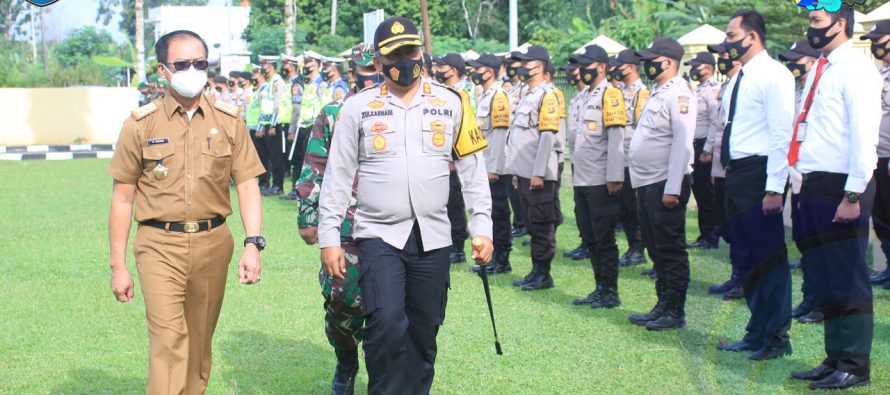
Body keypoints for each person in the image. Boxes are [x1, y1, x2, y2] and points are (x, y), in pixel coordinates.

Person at [318, 17, 493, 394]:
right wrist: (328, 236)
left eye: (410, 51)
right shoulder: (357, 108)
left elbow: (474, 173)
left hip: (433, 236)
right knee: (384, 324)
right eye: (394, 54)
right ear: (378, 62)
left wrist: (483, 229)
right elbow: (337, 175)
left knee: (424, 329)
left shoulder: (452, 102)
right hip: (379, 235)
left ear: (421, 53)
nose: (404, 59)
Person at [106, 30, 265, 394]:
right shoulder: (140, 124)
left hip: (214, 243)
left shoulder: (229, 119)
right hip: (159, 245)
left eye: (200, 63)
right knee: (168, 339)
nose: (192, 70)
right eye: (182, 64)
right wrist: (118, 266)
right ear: (163, 70)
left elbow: (246, 183)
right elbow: (123, 198)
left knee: (197, 344)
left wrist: (253, 243)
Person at [790, 7, 881, 390]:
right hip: (812, 183)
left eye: (815, 22)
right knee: (826, 279)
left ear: (839, 23)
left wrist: (853, 192)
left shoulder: (857, 69)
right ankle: (834, 357)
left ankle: (855, 364)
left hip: (842, 186)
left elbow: (865, 134)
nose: (810, 29)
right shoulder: (822, 66)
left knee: (848, 278)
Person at [296, 44, 383, 395]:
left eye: (380, 72)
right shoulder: (334, 112)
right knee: (342, 299)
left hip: (389, 225)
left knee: (387, 305)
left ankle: (382, 371)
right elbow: (313, 165)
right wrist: (307, 214)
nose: (375, 80)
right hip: (343, 222)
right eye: (367, 74)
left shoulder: (401, 110)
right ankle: (346, 360)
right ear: (353, 74)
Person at [713, 10, 796, 361]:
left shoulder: (774, 75)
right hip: (737, 173)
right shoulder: (738, 78)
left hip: (761, 172)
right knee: (745, 256)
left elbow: (781, 133)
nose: (728, 44)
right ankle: (757, 330)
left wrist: (775, 187)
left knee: (768, 259)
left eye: (732, 37)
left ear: (752, 37)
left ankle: (776, 336)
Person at [626, 38, 695, 331]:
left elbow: (682, 143)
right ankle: (662, 304)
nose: (647, 63)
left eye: (652, 58)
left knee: (670, 248)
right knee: (655, 247)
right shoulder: (657, 93)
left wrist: (672, 188)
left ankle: (674, 311)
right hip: (647, 181)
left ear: (667, 61)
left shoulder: (679, 94)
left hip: (665, 182)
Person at [568, 45, 627, 309]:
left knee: (604, 239)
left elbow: (616, 138)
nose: (583, 70)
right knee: (590, 237)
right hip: (582, 178)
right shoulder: (583, 96)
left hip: (601, 180)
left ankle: (610, 292)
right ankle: (599, 288)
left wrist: (615, 177)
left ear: (601, 66)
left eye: (587, 65)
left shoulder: (610, 94)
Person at [505, 45, 560, 291]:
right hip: (525, 172)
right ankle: (535, 270)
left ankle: (543, 274)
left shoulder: (547, 96)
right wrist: (518, 172)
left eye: (527, 63)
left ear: (539, 66)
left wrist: (538, 172)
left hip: (539, 175)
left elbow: (547, 137)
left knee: (541, 223)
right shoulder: (528, 94)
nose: (522, 68)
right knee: (531, 222)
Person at [778, 39, 824, 325]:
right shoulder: (799, 92)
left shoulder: (820, 90)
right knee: (804, 239)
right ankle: (810, 297)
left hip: (815, 174)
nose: (792, 65)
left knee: (819, 243)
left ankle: (822, 302)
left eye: (798, 60)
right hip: (795, 171)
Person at [702, 43, 744, 301]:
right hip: (722, 162)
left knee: (739, 225)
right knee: (728, 223)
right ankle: (737, 274)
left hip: (738, 165)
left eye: (726, 55)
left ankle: (744, 278)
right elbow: (718, 126)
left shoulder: (742, 83)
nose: (722, 59)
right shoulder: (727, 86)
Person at [468, 53, 514, 275]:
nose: (475, 72)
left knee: (499, 213)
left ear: (490, 71)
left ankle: (502, 259)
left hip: (495, 167)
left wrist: (494, 168)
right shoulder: (485, 96)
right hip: (485, 165)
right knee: (489, 212)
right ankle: (493, 256)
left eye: (480, 68)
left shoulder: (498, 97)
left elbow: (499, 135)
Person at [433, 53, 474, 264]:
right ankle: (449, 243)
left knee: (456, 204)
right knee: (446, 203)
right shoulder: (445, 92)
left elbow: (462, 130)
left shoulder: (463, 94)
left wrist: (454, 158)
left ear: (454, 69)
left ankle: (458, 247)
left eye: (443, 67)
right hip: (443, 160)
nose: (438, 70)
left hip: (457, 160)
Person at [613, 49, 649, 269]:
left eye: (621, 64)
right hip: (620, 156)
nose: (617, 68)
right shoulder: (619, 92)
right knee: (624, 206)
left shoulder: (641, 93)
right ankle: (632, 246)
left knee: (634, 207)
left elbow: (641, 129)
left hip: (633, 158)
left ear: (632, 67)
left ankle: (638, 248)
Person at [684, 51, 721, 250]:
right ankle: (704, 234)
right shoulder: (698, 90)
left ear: (707, 67)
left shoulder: (713, 90)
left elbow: (716, 121)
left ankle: (711, 236)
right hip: (696, 145)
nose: (692, 70)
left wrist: (708, 149)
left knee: (707, 194)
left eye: (695, 66)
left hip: (705, 145)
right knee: (699, 192)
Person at [863, 19, 890, 290]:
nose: (874, 46)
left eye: (879, 40)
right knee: (880, 215)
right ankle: (887, 268)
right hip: (877, 156)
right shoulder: (879, 73)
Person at [562, 58, 592, 261]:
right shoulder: (578, 96)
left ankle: (590, 244)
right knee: (580, 205)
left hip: (593, 161)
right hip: (576, 157)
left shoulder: (598, 95)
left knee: (592, 208)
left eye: (575, 70)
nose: (571, 74)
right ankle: (585, 242)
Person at [257, 55, 289, 196]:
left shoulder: (277, 81)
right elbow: (264, 106)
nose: (262, 68)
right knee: (266, 157)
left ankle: (278, 185)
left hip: (273, 124)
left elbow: (277, 105)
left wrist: (274, 125)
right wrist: (261, 126)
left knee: (276, 158)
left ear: (270, 66)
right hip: (265, 123)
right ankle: (267, 183)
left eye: (264, 65)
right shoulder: (269, 82)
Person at [280, 54, 304, 200]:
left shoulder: (296, 84)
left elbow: (296, 108)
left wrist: (292, 130)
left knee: (297, 160)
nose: (283, 68)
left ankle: (297, 190)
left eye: (286, 65)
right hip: (289, 124)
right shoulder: (290, 82)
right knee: (293, 159)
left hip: (294, 126)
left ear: (293, 66)